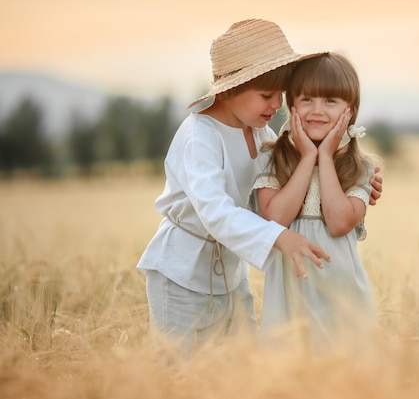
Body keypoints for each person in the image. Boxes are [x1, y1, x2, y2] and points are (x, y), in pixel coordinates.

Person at [136, 20, 382, 356]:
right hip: (181, 273)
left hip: (230, 275)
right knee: (178, 370)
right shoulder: (200, 136)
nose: (277, 104)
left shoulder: (261, 134)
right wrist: (280, 237)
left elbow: (288, 180)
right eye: (267, 95)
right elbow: (216, 212)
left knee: (244, 368)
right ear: (228, 90)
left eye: (281, 94)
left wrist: (359, 181)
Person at [249, 52, 381, 348]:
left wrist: (326, 156)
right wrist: (308, 157)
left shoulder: (362, 167)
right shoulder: (273, 157)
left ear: (350, 110)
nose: (317, 110)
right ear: (291, 104)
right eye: (307, 99)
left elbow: (338, 223)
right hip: (289, 294)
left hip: (341, 294)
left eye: (330, 101)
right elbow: (276, 219)